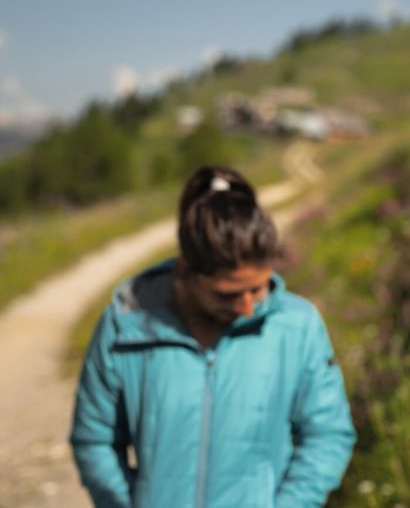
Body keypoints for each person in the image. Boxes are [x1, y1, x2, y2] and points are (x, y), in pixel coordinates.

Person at [71, 166, 355, 507]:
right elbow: (94, 440)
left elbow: (327, 435)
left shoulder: (298, 326)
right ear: (186, 270)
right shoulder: (124, 328)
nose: (248, 307)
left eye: (258, 289)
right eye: (227, 295)